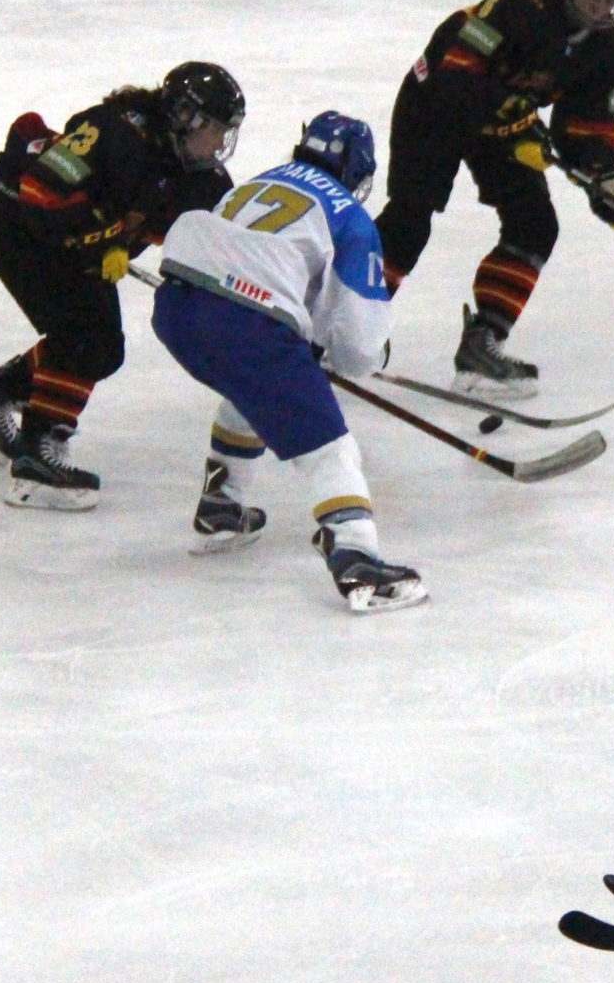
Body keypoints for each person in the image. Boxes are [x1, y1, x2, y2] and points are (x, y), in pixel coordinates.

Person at [151, 111, 425, 614]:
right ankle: (355, 555)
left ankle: (223, 505)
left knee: (250, 388)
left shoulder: (258, 182)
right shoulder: (349, 216)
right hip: (245, 322)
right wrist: (351, 351)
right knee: (330, 449)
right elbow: (359, 350)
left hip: (175, 309)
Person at [0, 62, 246, 510]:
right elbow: (41, 192)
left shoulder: (200, 177)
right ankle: (36, 457)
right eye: (217, 129)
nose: (221, 143)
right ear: (186, 117)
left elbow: (212, 242)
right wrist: (99, 240)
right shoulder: (114, 131)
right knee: (86, 338)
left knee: (100, 345)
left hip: (72, 245)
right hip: (16, 223)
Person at [375, 0, 614, 398]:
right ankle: (340, 327)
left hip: (504, 123)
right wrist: (515, 123)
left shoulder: (607, 49)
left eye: (613, 1)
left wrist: (603, 176)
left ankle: (482, 346)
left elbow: (587, 120)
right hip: (434, 101)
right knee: (409, 221)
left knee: (535, 226)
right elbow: (458, 68)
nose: (602, 10)